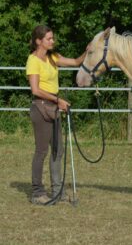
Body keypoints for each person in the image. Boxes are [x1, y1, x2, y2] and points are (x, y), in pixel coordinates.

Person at [26, 24, 89, 205]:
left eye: (52, 38)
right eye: (49, 39)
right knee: (41, 151)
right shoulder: (33, 61)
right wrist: (57, 100)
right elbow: (36, 90)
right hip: (41, 108)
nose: (52, 41)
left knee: (58, 150)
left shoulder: (53, 58)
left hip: (54, 107)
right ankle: (37, 193)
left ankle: (57, 190)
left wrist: (88, 50)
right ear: (39, 41)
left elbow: (76, 62)